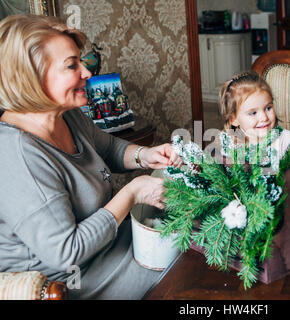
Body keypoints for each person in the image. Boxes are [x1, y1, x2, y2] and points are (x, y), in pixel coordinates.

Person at [0, 14, 182, 299]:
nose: (86, 72)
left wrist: (146, 156)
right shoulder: (16, 155)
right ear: (30, 78)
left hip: (110, 244)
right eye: (72, 65)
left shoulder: (67, 115)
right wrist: (133, 192)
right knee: (189, 267)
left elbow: (107, 149)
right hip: (74, 280)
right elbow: (66, 252)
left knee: (196, 235)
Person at [217, 71, 290, 169]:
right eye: (253, 113)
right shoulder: (231, 143)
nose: (264, 118)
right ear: (233, 120)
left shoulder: (287, 139)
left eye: (268, 108)